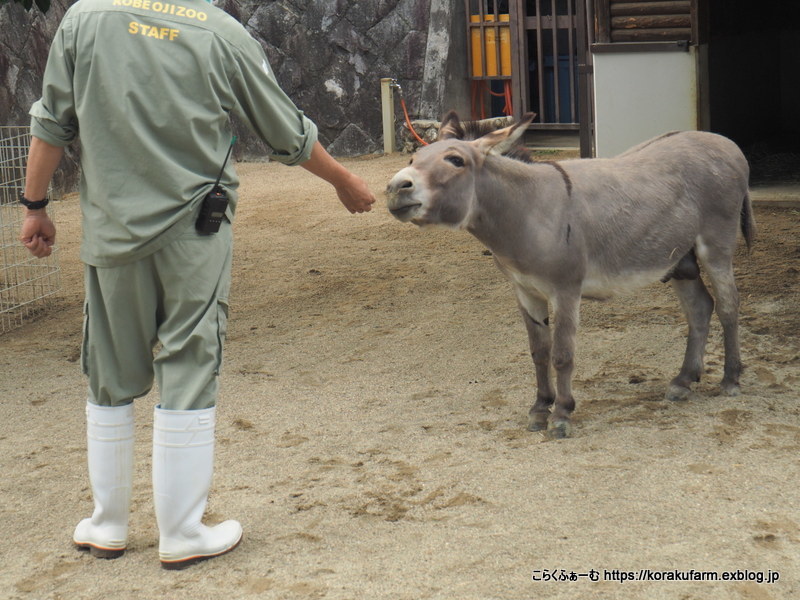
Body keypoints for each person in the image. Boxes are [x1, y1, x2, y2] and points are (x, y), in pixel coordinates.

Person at [19, 0, 375, 570]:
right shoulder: (220, 31)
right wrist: (345, 179)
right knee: (188, 359)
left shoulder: (82, 18)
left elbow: (50, 123)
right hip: (195, 230)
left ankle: (107, 523)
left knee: (107, 371)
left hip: (111, 232)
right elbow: (286, 130)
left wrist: (35, 205)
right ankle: (182, 531)